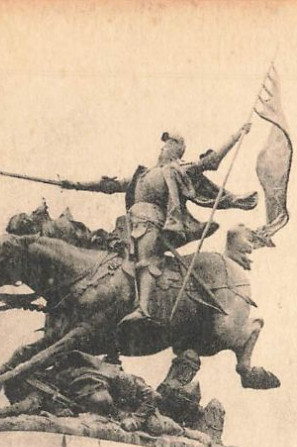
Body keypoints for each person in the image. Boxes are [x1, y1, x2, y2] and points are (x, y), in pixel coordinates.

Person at [61, 126, 257, 324]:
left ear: (178, 150)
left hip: (152, 224)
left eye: (170, 144)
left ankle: (144, 309)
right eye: (165, 143)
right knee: (107, 258)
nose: (164, 148)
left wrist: (236, 136)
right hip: (128, 226)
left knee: (146, 260)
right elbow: (110, 186)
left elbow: (210, 162)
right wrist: (74, 184)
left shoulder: (178, 170)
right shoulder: (143, 174)